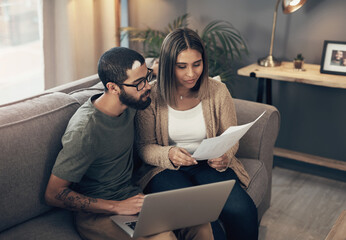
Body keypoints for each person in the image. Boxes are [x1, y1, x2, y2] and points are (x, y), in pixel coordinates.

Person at [44, 47, 213, 240]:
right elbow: (53, 193)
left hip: (134, 198)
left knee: (200, 221)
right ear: (113, 88)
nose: (148, 87)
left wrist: (155, 70)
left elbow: (154, 72)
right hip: (98, 215)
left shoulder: (132, 103)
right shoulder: (85, 131)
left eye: (147, 78)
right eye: (140, 83)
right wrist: (116, 206)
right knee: (163, 237)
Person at [135, 28, 258, 240]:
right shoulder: (152, 96)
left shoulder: (218, 91)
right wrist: (169, 154)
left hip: (208, 164)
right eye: (181, 66)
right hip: (166, 169)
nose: (191, 74)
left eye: (197, 64)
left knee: (243, 210)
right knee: (200, 217)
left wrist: (225, 155)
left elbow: (230, 135)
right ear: (167, 65)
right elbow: (144, 146)